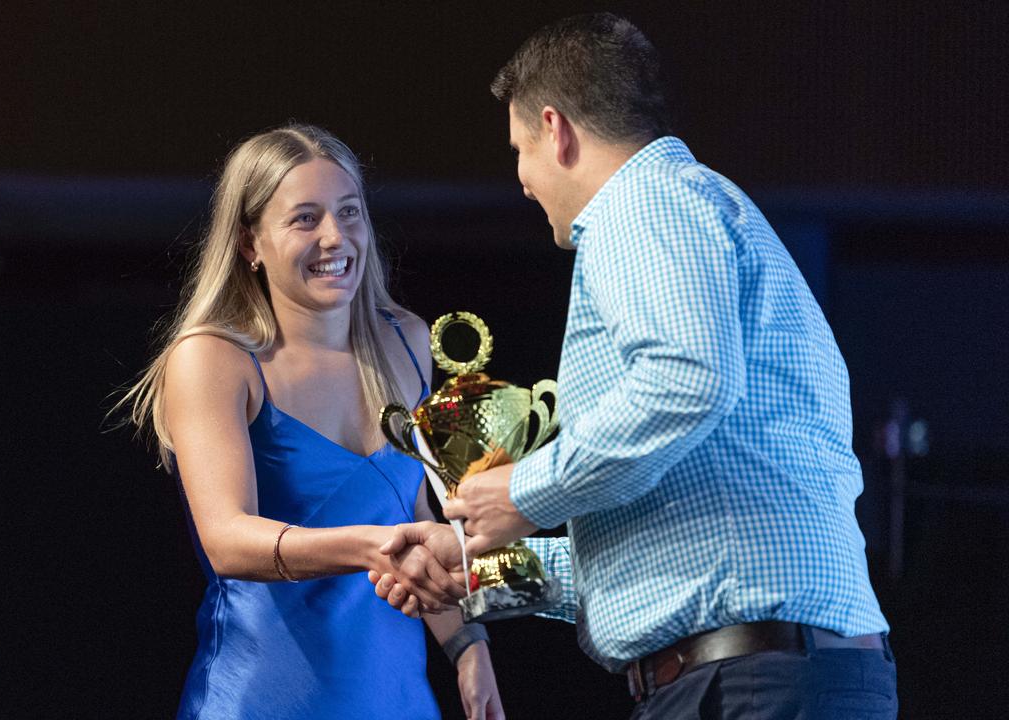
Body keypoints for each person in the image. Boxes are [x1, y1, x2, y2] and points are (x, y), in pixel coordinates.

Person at [372, 14, 896, 719]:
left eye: (519, 149)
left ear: (555, 130)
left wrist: (524, 491)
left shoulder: (639, 202)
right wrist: (472, 571)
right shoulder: (699, 204)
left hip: (748, 680)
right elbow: (661, 551)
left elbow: (687, 381)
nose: (523, 181)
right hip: (779, 668)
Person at [114, 124, 503, 720]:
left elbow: (414, 513)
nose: (335, 237)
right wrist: (373, 549)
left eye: (350, 212)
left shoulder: (408, 341)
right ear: (250, 243)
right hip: (263, 701)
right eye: (305, 219)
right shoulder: (214, 357)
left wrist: (468, 645)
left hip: (396, 700)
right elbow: (226, 540)